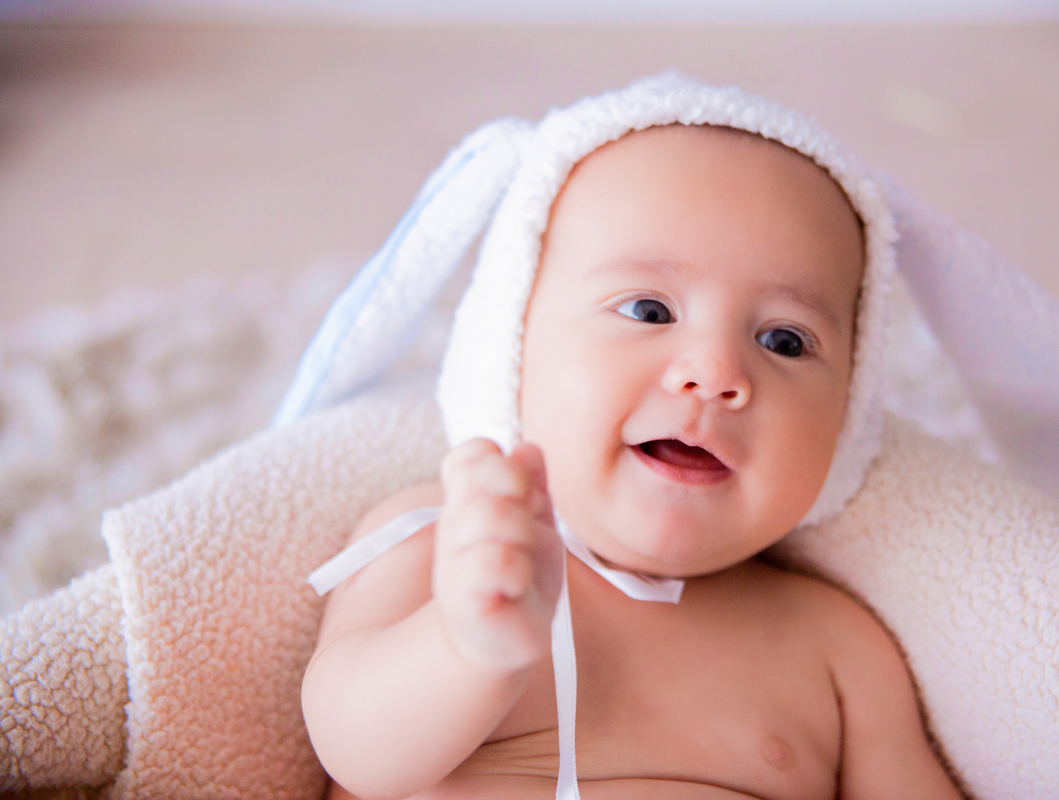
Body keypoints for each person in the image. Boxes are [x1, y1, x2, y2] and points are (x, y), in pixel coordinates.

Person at [300, 118, 965, 800]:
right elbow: (352, 750)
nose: (715, 372)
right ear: (511, 344)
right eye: (649, 310)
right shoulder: (449, 538)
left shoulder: (840, 647)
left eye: (785, 340)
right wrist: (464, 645)